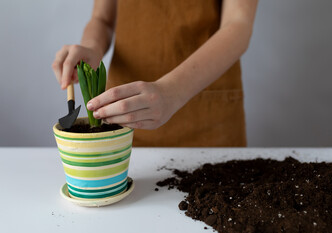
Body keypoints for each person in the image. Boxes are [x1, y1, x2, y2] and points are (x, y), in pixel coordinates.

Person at [52, 0, 258, 147]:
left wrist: (173, 91)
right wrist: (91, 48)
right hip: (124, 118)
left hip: (208, 121)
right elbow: (102, 19)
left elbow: (238, 24)